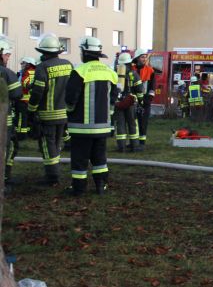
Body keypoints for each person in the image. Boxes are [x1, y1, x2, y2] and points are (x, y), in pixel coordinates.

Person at [65, 37, 118, 196]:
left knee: (80, 159)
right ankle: (101, 186)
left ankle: (79, 189)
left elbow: (70, 98)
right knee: (99, 158)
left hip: (81, 127)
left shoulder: (79, 71)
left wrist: (69, 112)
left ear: (84, 52)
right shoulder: (109, 71)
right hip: (103, 126)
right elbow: (113, 98)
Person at [27, 34, 73, 185]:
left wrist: (31, 110)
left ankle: (52, 177)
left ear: (43, 52)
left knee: (48, 145)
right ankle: (55, 172)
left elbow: (38, 92)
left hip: (47, 115)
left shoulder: (43, 67)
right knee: (57, 143)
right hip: (64, 114)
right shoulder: (68, 64)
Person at [0, 36, 23, 187]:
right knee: (7, 148)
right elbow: (16, 94)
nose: (8, 58)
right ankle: (4, 177)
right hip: (4, 121)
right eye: (7, 55)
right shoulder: (7, 73)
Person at [114, 52, 144, 152]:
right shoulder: (133, 73)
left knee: (120, 125)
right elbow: (139, 89)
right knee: (132, 124)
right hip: (131, 102)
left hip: (118, 103)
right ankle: (134, 146)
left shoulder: (115, 73)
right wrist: (141, 101)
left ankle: (121, 147)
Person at [13, 57, 36, 160]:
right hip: (32, 100)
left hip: (23, 100)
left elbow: (25, 84)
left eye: (24, 63)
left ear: (28, 64)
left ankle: (21, 135)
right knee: (31, 118)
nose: (22, 65)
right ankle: (32, 134)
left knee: (21, 118)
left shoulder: (27, 72)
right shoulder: (36, 71)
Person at [132, 48, 155, 146]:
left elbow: (152, 86)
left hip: (145, 99)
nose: (144, 59)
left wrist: (150, 97)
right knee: (133, 122)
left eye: (145, 57)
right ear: (137, 58)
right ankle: (134, 142)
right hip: (133, 99)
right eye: (142, 57)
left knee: (143, 122)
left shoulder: (150, 70)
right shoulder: (131, 69)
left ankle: (142, 142)